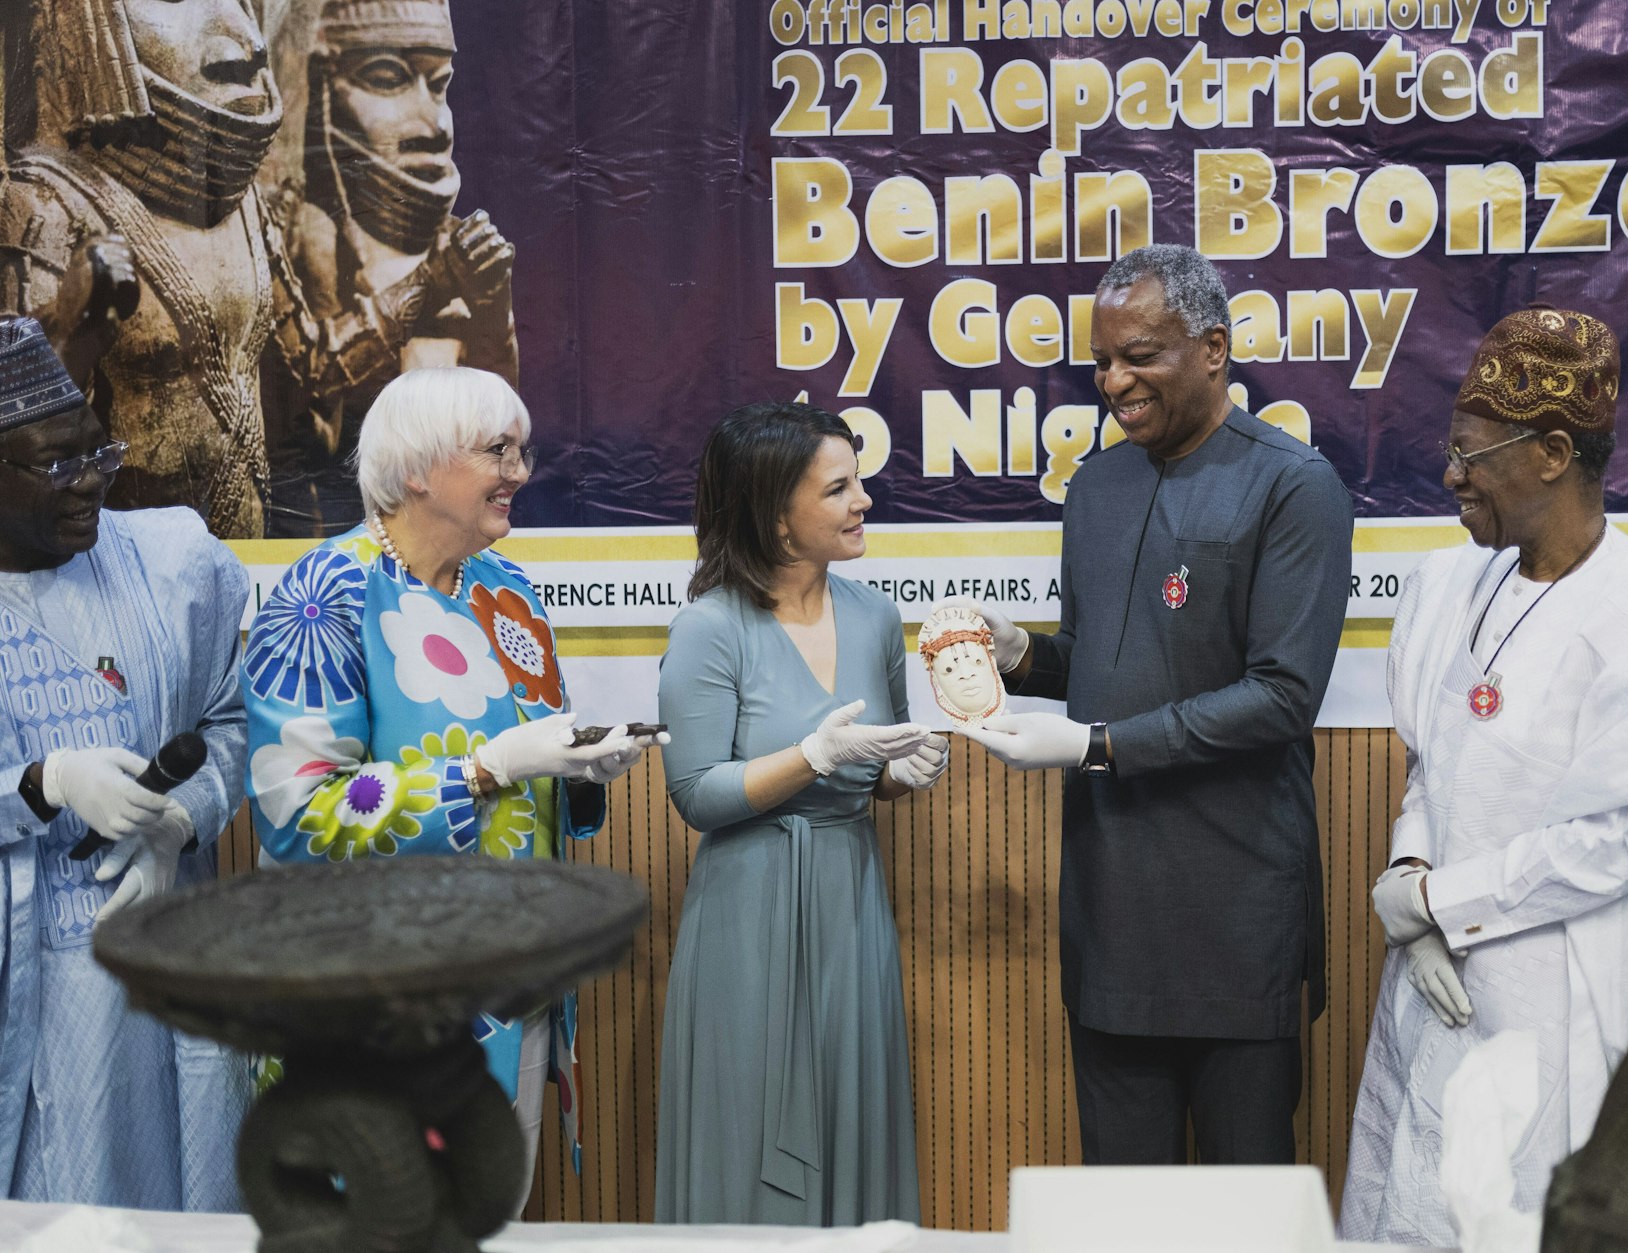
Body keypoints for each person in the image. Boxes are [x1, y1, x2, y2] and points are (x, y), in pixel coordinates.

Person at [1340, 307, 1628, 1243]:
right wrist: (1409, 872)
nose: (1451, 476)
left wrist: (1448, 900)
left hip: (1551, 1007)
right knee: (1402, 1206)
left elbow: (1616, 843)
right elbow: (1429, 766)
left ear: (1555, 451)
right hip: (1427, 988)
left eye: (1473, 454)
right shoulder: (1452, 586)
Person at [956, 244, 1354, 1166]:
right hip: (1110, 910)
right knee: (1121, 1210)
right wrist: (1020, 655)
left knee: (1240, 1213)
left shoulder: (1295, 485)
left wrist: (1094, 744)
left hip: (1236, 911)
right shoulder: (1095, 488)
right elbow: (1108, 658)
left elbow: (1283, 698)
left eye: (1139, 355)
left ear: (1214, 349)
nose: (1114, 382)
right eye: (1101, 361)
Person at [240, 365, 659, 1192]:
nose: (520, 472)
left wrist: (583, 771)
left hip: (514, 990)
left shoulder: (507, 589)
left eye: (523, 450)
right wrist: (481, 772)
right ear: (418, 467)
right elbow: (299, 814)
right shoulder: (326, 590)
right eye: (497, 450)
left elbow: (542, 762)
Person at [0, 0, 490, 538]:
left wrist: (430, 279)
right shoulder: (46, 205)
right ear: (88, 23)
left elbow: (314, 366)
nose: (246, 45)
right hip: (124, 571)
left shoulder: (246, 206)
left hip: (243, 558)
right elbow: (21, 449)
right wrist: (77, 333)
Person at [655, 401, 946, 1225]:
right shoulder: (710, 628)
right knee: (744, 1133)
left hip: (851, 903)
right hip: (746, 913)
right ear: (779, 521)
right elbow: (696, 794)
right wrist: (810, 756)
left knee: (852, 1113)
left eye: (860, 481)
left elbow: (870, 770)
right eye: (840, 488)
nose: (865, 502)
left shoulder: (875, 617)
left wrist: (900, 774)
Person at [0, 315, 249, 1208]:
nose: (91, 484)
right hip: (38, 1004)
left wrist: (181, 821)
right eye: (55, 463)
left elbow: (232, 717)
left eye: (97, 450)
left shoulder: (171, 562)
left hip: (174, 978)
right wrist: (43, 784)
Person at [268, 0, 518, 538]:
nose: (432, 125)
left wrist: (491, 308)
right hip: (330, 538)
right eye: (387, 79)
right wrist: (430, 283)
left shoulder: (454, 242)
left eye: (440, 85)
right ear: (319, 89)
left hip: (445, 536)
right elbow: (306, 413)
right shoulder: (287, 237)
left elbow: (499, 422)